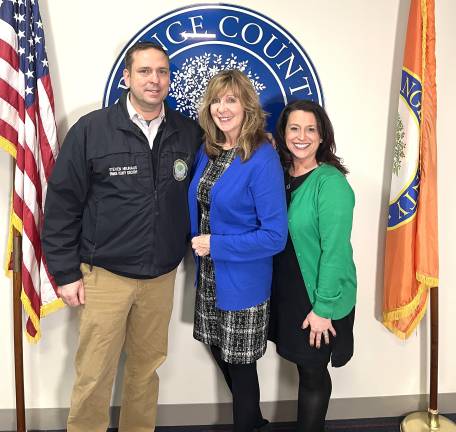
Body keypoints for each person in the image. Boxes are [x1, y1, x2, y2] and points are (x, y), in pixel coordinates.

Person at [42, 42, 201, 432]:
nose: (155, 80)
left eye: (162, 72)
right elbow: (62, 204)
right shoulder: (92, 130)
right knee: (95, 374)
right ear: (127, 78)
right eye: (145, 71)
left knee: (146, 373)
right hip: (104, 277)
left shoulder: (187, 133)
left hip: (160, 277)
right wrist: (65, 272)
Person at [188, 70, 288, 432]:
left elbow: (275, 236)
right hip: (211, 276)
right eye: (216, 100)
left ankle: (249, 425)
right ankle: (256, 422)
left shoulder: (262, 157)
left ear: (247, 106)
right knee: (220, 351)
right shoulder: (209, 150)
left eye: (230, 99)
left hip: (243, 281)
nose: (222, 107)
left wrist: (216, 244)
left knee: (242, 367)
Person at [269, 100, 357, 432]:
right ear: (284, 133)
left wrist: (323, 309)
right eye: (294, 128)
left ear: (322, 137)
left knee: (312, 372)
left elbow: (335, 252)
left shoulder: (330, 183)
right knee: (304, 367)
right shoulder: (280, 174)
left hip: (319, 295)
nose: (301, 136)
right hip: (289, 292)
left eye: (311, 129)